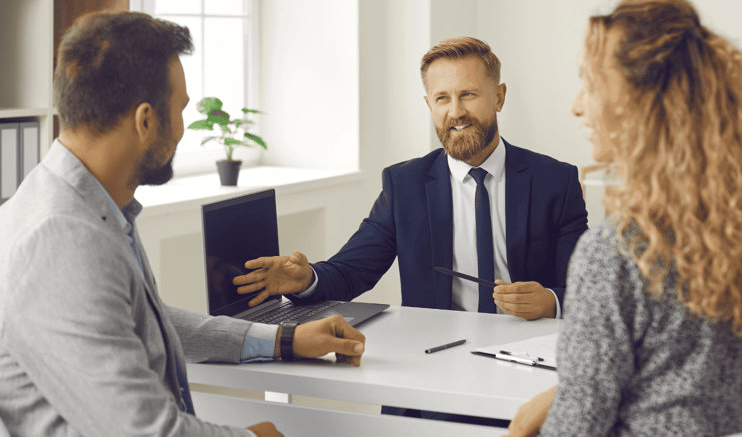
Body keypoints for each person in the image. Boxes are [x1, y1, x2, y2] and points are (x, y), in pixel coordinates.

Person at [0, 11, 367, 437]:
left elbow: (140, 318)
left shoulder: (87, 203)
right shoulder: (60, 238)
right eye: (179, 111)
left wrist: (284, 339)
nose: (181, 130)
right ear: (144, 121)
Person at [503, 0, 742, 437]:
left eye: (589, 83)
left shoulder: (614, 253)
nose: (576, 104)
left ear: (636, 103)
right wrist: (569, 389)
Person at [236, 37, 588, 423]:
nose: (456, 112)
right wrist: (308, 278)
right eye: (442, 99)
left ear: (499, 97)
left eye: (469, 95)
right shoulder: (404, 184)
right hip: (431, 374)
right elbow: (354, 269)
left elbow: (587, 295)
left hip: (527, 375)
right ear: (428, 105)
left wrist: (550, 301)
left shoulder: (557, 181)